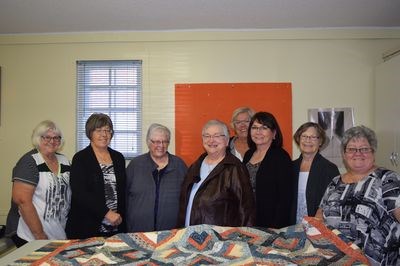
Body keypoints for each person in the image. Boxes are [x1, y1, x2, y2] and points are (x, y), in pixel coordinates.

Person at [315, 126, 400, 265]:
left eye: (364, 149)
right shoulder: (335, 182)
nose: (358, 153)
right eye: (351, 149)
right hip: (336, 261)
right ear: (344, 154)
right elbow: (319, 216)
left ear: (373, 152)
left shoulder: (387, 179)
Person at [177, 119, 255, 227]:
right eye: (207, 136)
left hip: (219, 239)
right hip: (189, 235)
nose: (211, 140)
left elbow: (246, 210)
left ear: (227, 141)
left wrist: (241, 238)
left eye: (217, 136)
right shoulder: (196, 165)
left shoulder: (235, 168)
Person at [5, 120, 71, 247]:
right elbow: (23, 201)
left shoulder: (64, 160)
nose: (52, 141)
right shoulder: (29, 162)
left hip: (57, 230)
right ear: (37, 138)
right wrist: (39, 235)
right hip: (30, 234)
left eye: (56, 137)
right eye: (46, 137)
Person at [66, 113, 126, 239]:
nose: (104, 135)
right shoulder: (81, 158)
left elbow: (122, 191)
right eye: (99, 130)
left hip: (115, 226)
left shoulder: (118, 157)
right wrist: (106, 213)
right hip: (87, 227)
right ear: (90, 133)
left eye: (107, 130)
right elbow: (80, 193)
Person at [126, 123, 187, 232]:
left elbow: (187, 198)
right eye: (156, 142)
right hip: (139, 231)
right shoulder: (135, 165)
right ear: (148, 142)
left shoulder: (179, 165)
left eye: (165, 141)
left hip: (171, 232)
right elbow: (124, 196)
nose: (161, 145)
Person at [243, 111, 294, 229]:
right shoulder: (248, 154)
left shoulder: (281, 157)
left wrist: (276, 227)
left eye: (264, 128)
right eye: (254, 127)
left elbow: (285, 198)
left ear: (274, 133)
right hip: (248, 219)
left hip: (271, 223)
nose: (258, 132)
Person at [291, 122, 339, 224]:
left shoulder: (329, 168)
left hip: (318, 228)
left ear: (320, 141)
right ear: (298, 139)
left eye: (313, 137)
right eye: (304, 136)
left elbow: (333, 202)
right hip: (291, 225)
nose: (308, 140)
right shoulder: (291, 166)